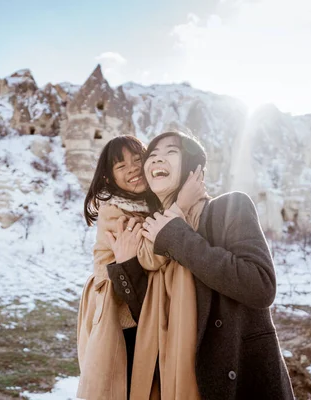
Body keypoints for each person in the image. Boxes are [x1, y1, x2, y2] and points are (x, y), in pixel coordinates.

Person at [106, 131, 295, 399]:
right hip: (175, 381)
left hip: (241, 384)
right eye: (153, 156)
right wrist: (127, 266)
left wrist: (177, 236)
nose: (158, 160)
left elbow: (260, 286)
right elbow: (150, 316)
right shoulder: (150, 232)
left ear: (194, 170)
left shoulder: (229, 208)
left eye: (171, 152)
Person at [77, 135, 204, 400]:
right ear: (109, 178)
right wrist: (181, 206)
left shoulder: (151, 204)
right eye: (121, 166)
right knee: (128, 384)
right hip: (120, 313)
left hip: (143, 303)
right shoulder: (115, 212)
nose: (133, 168)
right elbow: (151, 256)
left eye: (138, 159)